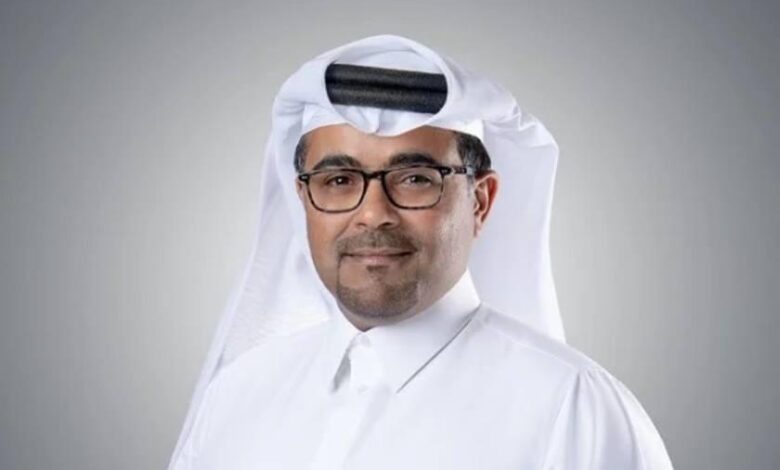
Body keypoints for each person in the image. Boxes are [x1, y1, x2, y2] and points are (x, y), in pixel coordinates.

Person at [168, 35, 673, 469]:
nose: (373, 213)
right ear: (304, 199)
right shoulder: (237, 397)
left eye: (414, 179)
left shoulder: (572, 407)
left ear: (480, 201)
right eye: (339, 180)